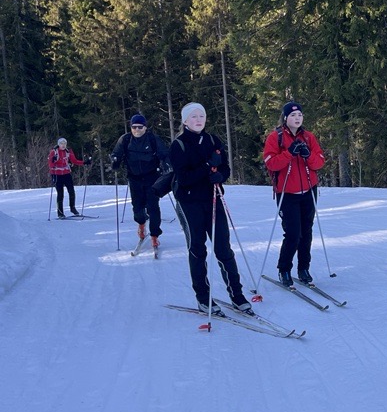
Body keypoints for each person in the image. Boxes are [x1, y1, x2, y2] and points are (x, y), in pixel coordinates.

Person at [169, 102, 251, 315]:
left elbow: (225, 167)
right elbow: (184, 178)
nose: (199, 119)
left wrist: (220, 175)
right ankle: (203, 298)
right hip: (189, 203)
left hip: (213, 198)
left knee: (223, 248)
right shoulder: (178, 146)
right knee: (197, 249)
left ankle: (237, 295)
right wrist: (207, 168)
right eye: (194, 116)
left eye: (201, 116)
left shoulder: (213, 140)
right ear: (185, 121)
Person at [263, 101, 326, 286]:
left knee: (306, 232)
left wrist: (308, 155)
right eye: (293, 115)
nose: (297, 118)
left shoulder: (309, 137)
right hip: (287, 193)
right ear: (285, 118)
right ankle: (284, 269)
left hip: (308, 190)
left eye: (299, 115)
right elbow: (271, 163)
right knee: (293, 233)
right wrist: (289, 153)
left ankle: (304, 268)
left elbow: (319, 163)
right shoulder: (276, 138)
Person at [110, 114, 169, 247]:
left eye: (140, 127)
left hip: (152, 178)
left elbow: (164, 153)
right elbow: (116, 154)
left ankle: (154, 235)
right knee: (137, 208)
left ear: (145, 127)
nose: (137, 130)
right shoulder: (125, 139)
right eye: (134, 127)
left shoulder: (152, 139)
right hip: (134, 178)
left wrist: (166, 163)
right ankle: (141, 225)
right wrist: (115, 161)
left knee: (153, 207)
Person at [48, 137, 90, 219]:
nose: (63, 145)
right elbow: (50, 165)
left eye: (64, 144)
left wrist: (84, 162)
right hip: (57, 174)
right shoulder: (53, 152)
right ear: (58, 144)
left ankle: (73, 208)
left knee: (71, 191)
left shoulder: (68, 151)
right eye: (61, 144)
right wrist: (54, 161)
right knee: (60, 194)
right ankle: (60, 213)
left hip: (67, 173)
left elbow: (74, 161)